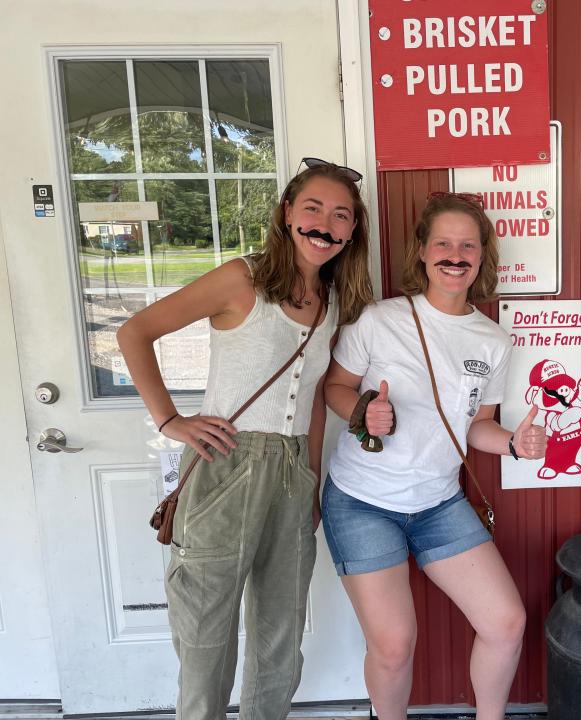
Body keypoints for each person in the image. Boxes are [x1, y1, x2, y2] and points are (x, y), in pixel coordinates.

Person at [117, 158, 373, 720]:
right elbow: (135, 331)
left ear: (353, 231)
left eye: (341, 215)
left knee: (280, 632)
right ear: (286, 213)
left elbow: (309, 405)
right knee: (207, 630)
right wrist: (169, 420)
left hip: (290, 473)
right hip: (224, 464)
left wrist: (308, 482)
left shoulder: (333, 304)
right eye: (312, 208)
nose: (324, 224)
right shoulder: (243, 279)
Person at [322, 192, 546, 720]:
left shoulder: (493, 340)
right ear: (422, 252)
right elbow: (335, 386)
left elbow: (480, 427)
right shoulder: (380, 319)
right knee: (395, 646)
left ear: (482, 255)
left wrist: (514, 442)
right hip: (362, 502)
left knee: (506, 623)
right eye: (442, 242)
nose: (455, 253)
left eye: (467, 244)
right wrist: (363, 411)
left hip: (439, 504)